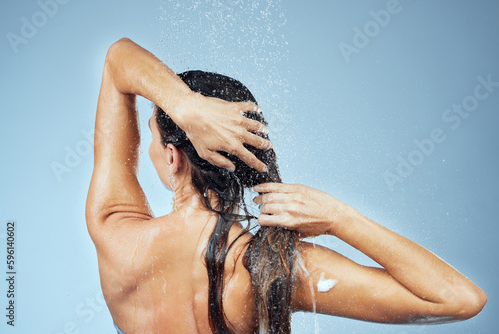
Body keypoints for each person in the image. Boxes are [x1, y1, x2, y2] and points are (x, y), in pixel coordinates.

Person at [86, 38, 487, 334]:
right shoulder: (270, 267)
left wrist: (183, 106)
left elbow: (117, 59)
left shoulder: (115, 235)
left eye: (153, 135)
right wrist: (339, 218)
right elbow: (459, 299)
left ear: (173, 157)